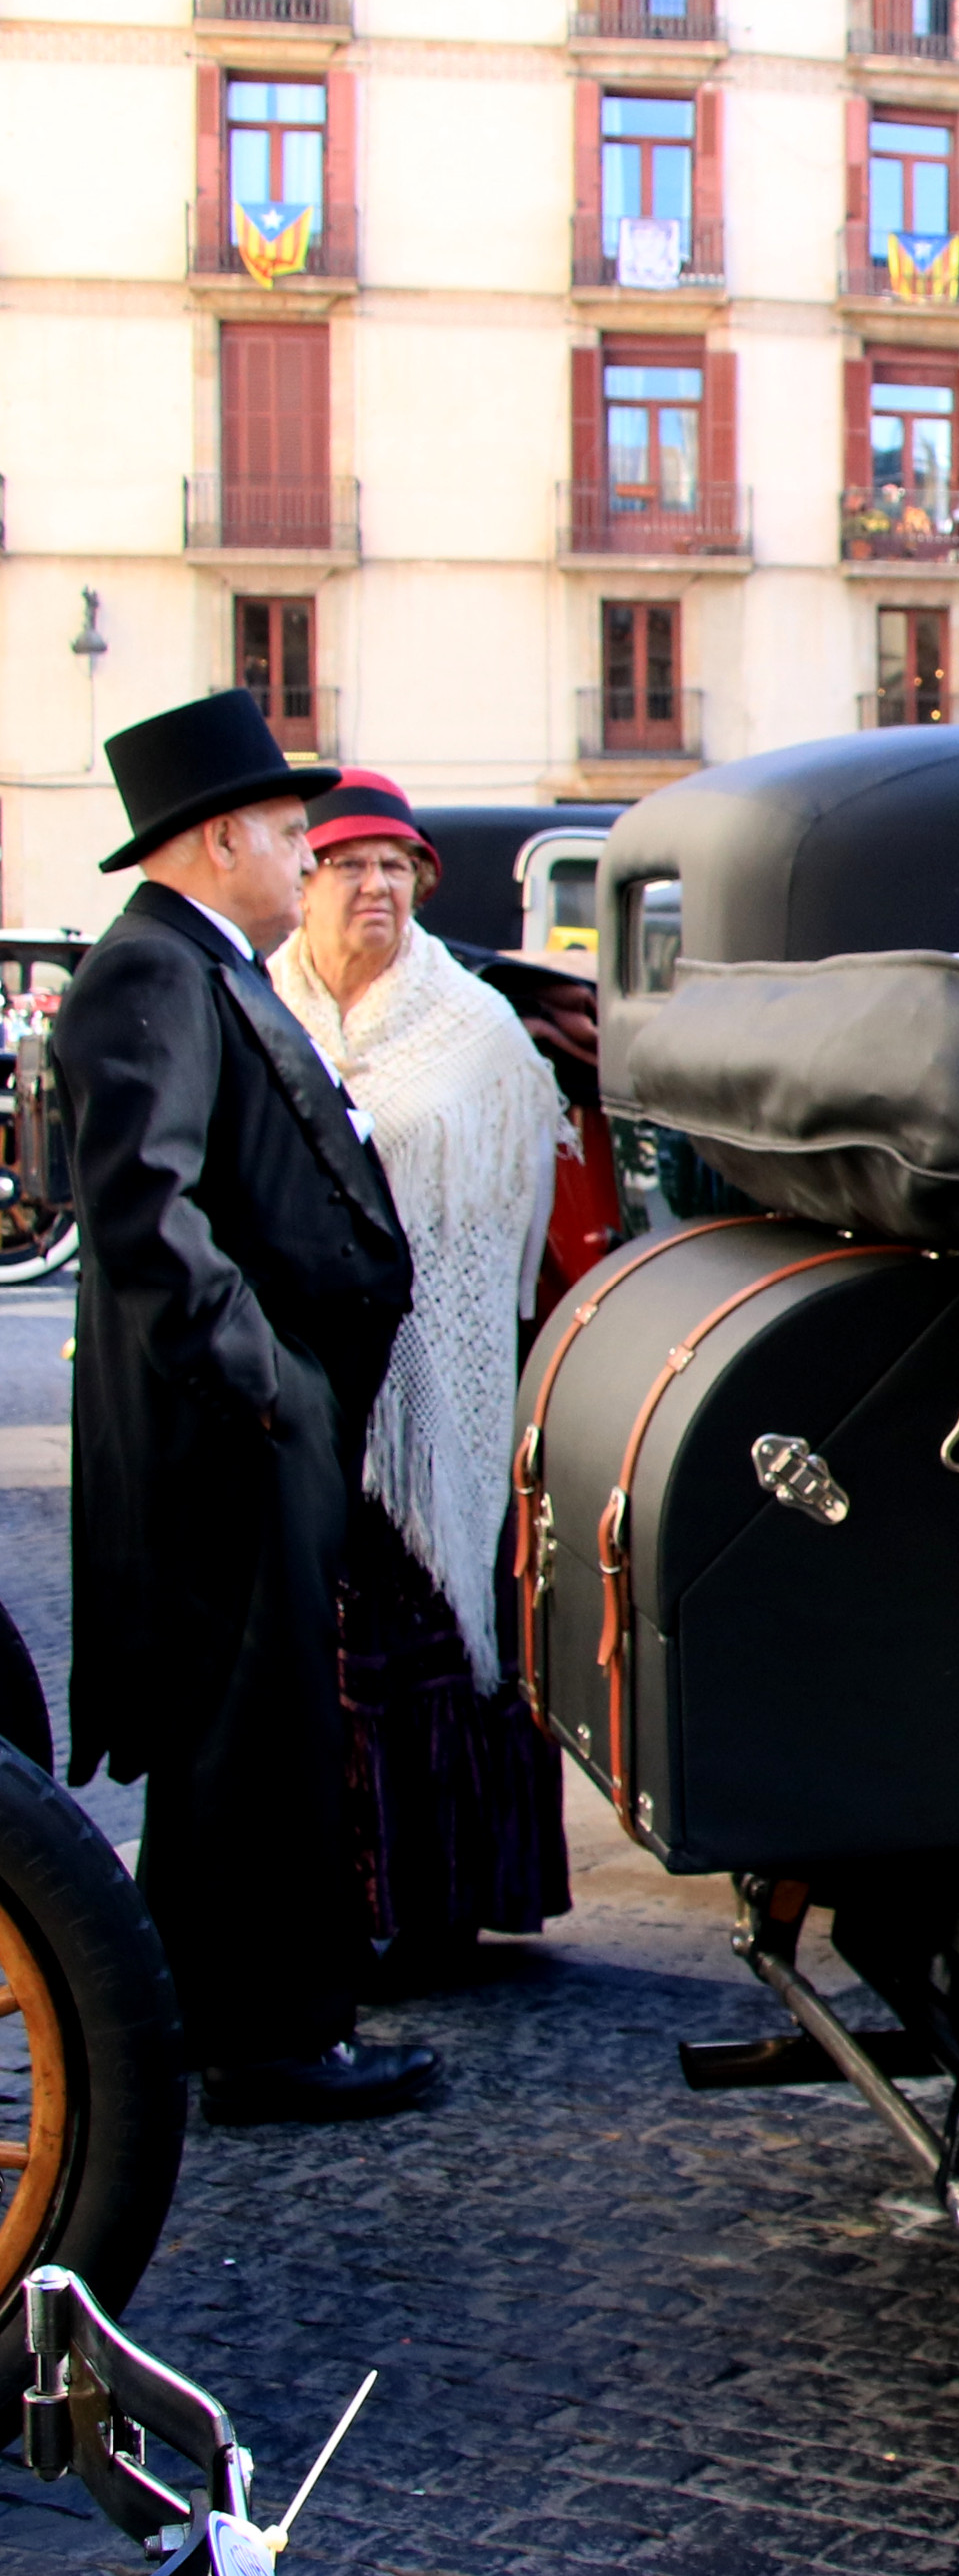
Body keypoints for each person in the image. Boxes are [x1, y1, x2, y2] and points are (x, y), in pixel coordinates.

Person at [56, 693, 428, 2123]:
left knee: (253, 1745)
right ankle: (267, 2046)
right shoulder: (150, 974)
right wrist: (266, 1385)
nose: (307, 858)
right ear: (221, 839)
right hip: (227, 1444)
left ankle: (232, 2022)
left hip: (256, 1433)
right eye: (289, 834)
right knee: (246, 1752)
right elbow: (150, 1212)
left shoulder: (191, 964)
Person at [269, 772, 573, 1978]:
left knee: (431, 1636)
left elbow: (505, 1215)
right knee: (318, 1648)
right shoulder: (266, 1008)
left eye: (399, 866)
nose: (379, 885)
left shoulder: (474, 1027)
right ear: (307, 881)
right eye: (352, 864)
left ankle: (440, 1899)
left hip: (430, 1374)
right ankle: (329, 1897)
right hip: (299, 1376)